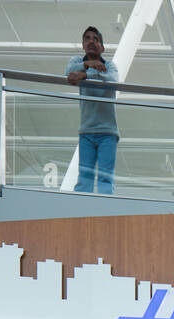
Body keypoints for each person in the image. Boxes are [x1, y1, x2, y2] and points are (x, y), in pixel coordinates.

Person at [66, 26, 120, 194]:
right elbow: (68, 74)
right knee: (84, 178)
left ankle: (105, 215)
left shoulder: (110, 65)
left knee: (105, 178)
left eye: (96, 39)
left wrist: (86, 75)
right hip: (87, 131)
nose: (91, 41)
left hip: (108, 131)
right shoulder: (77, 63)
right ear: (83, 44)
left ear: (102, 48)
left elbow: (113, 80)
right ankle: (83, 213)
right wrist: (87, 65)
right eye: (87, 38)